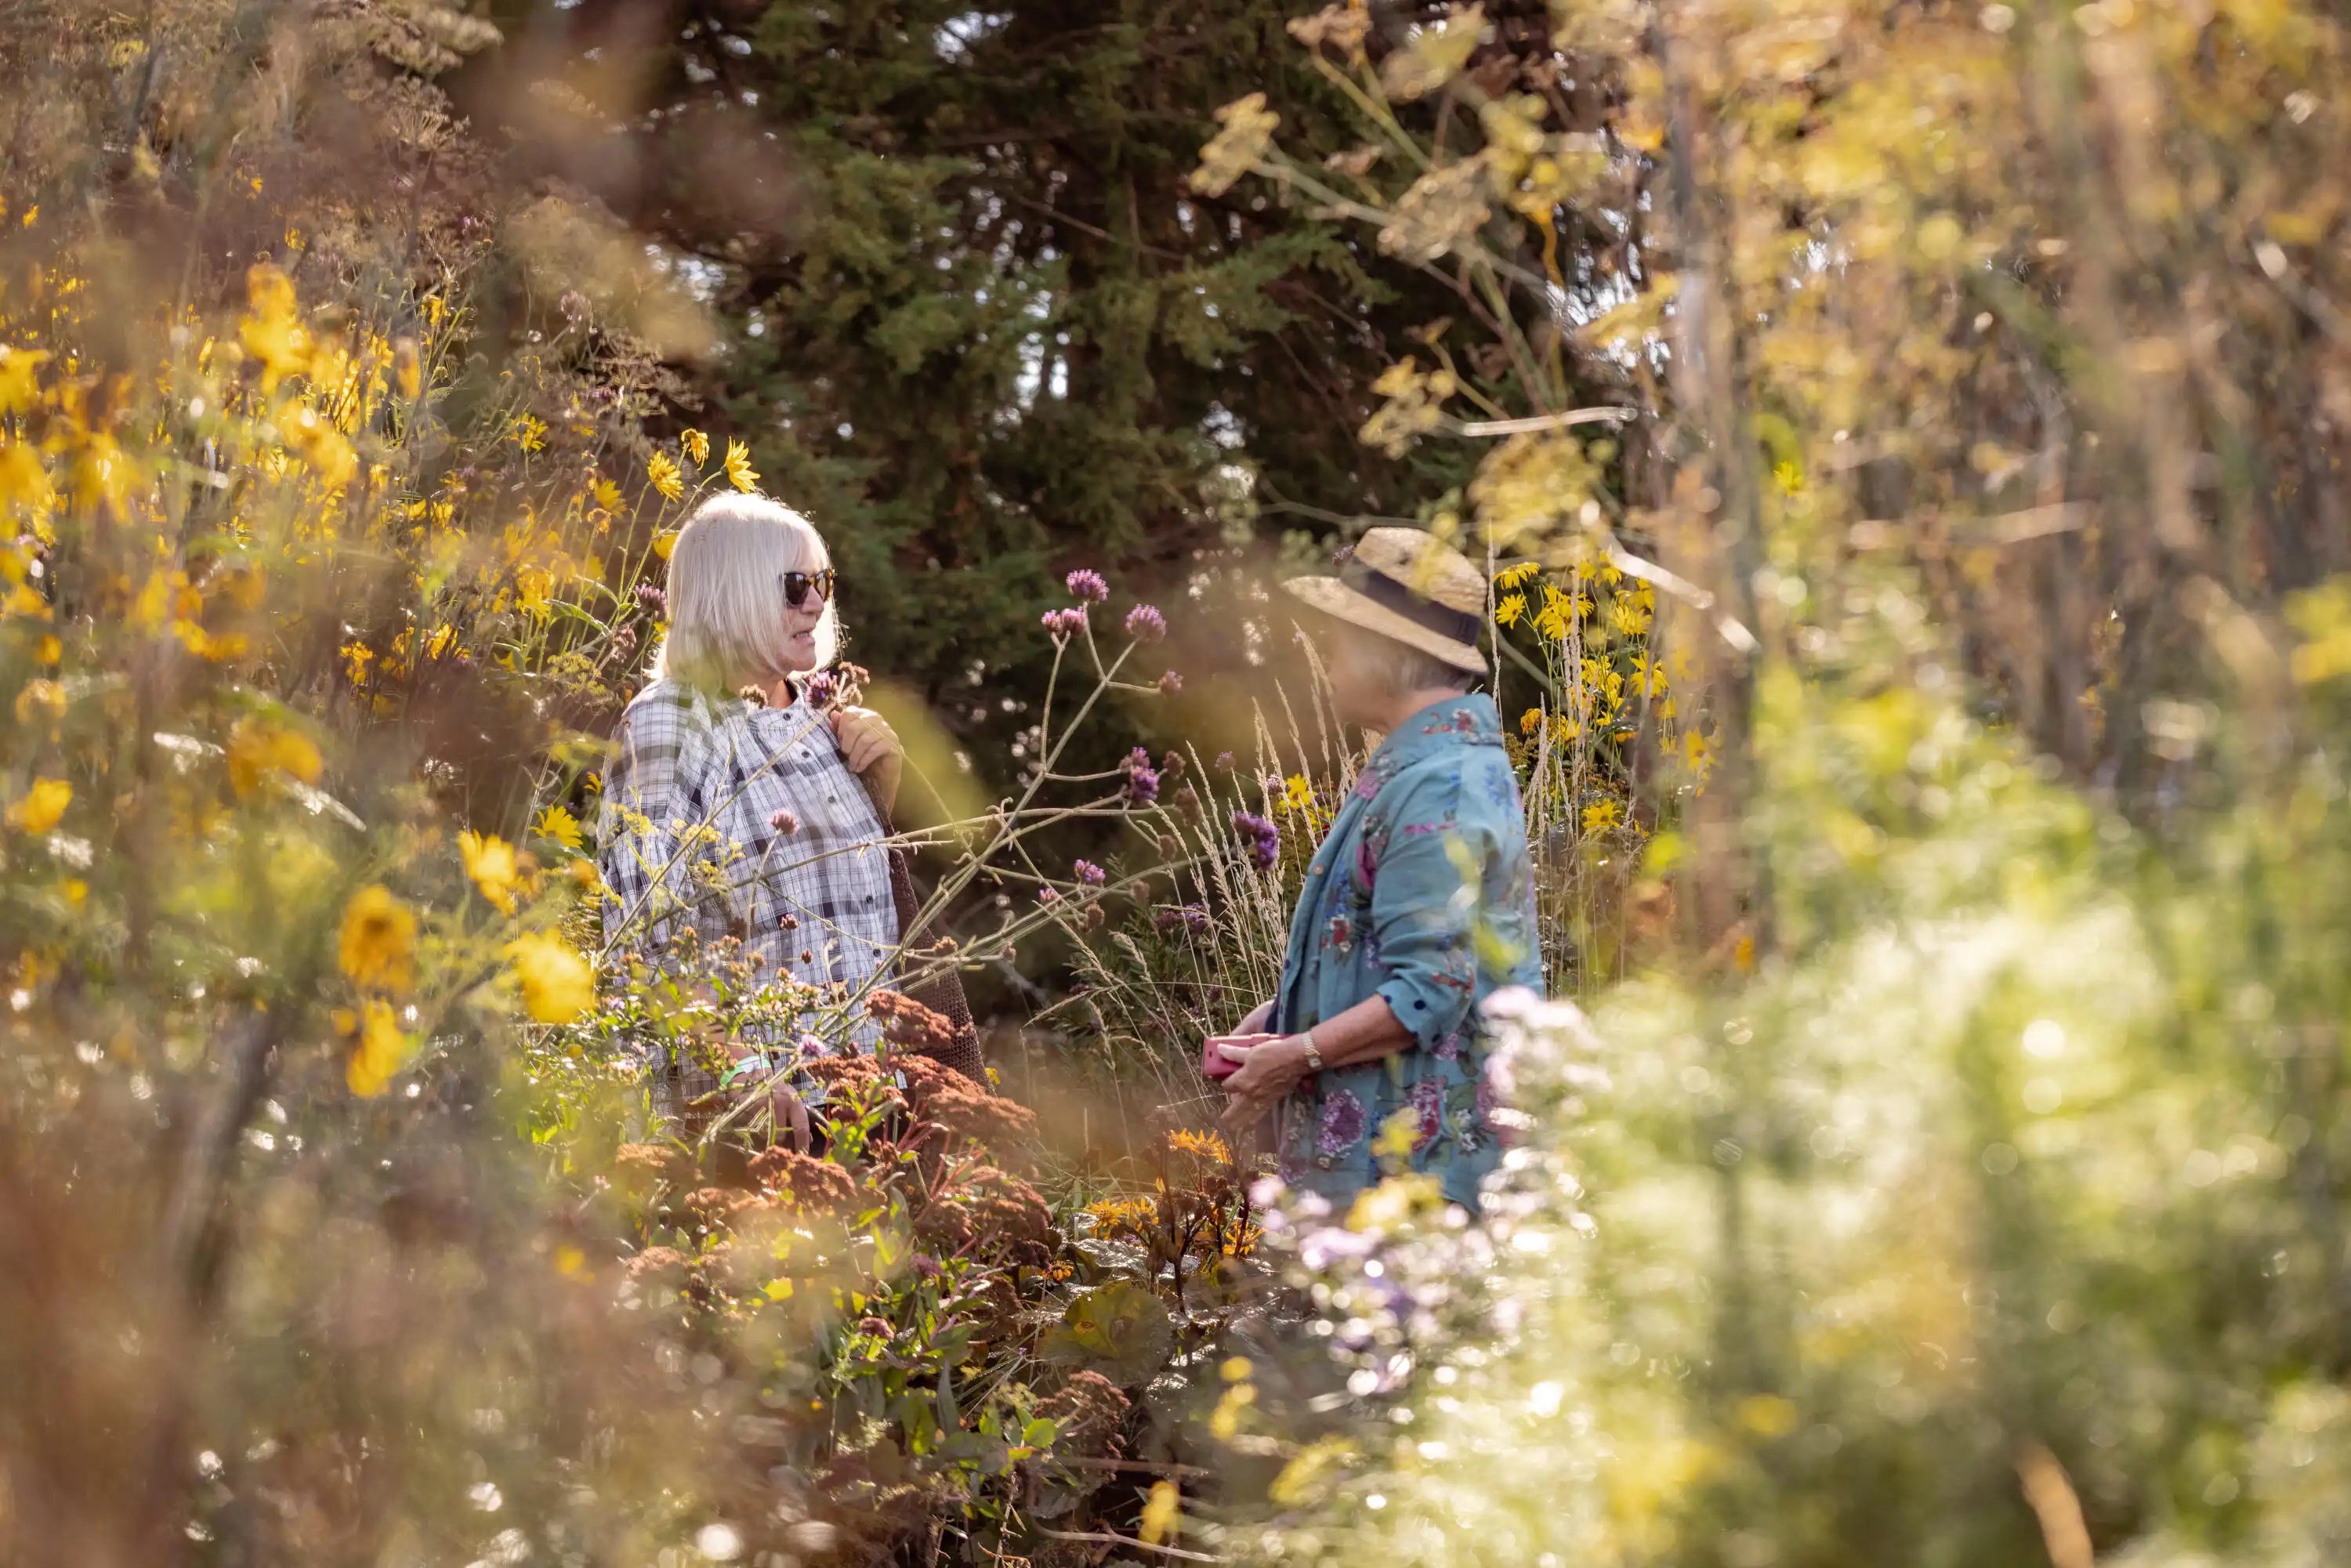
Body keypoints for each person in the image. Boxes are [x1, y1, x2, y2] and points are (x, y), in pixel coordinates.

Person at [596, 491, 980, 1143]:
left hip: (871, 1118)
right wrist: (739, 1069)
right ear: (730, 593)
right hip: (750, 1122)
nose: (816, 602)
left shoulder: (824, 720)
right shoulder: (672, 721)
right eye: (795, 585)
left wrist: (880, 794)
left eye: (823, 582)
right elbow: (639, 941)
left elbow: (866, 919)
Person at [1209, 527, 1541, 1212]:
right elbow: (1382, 952)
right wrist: (1282, 1016)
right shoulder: (1422, 769)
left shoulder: (1439, 784)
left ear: (1387, 650)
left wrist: (1295, 1053)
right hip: (1393, 1165)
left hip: (1414, 1180)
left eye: (1339, 638)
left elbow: (1433, 985)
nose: (1326, 658)